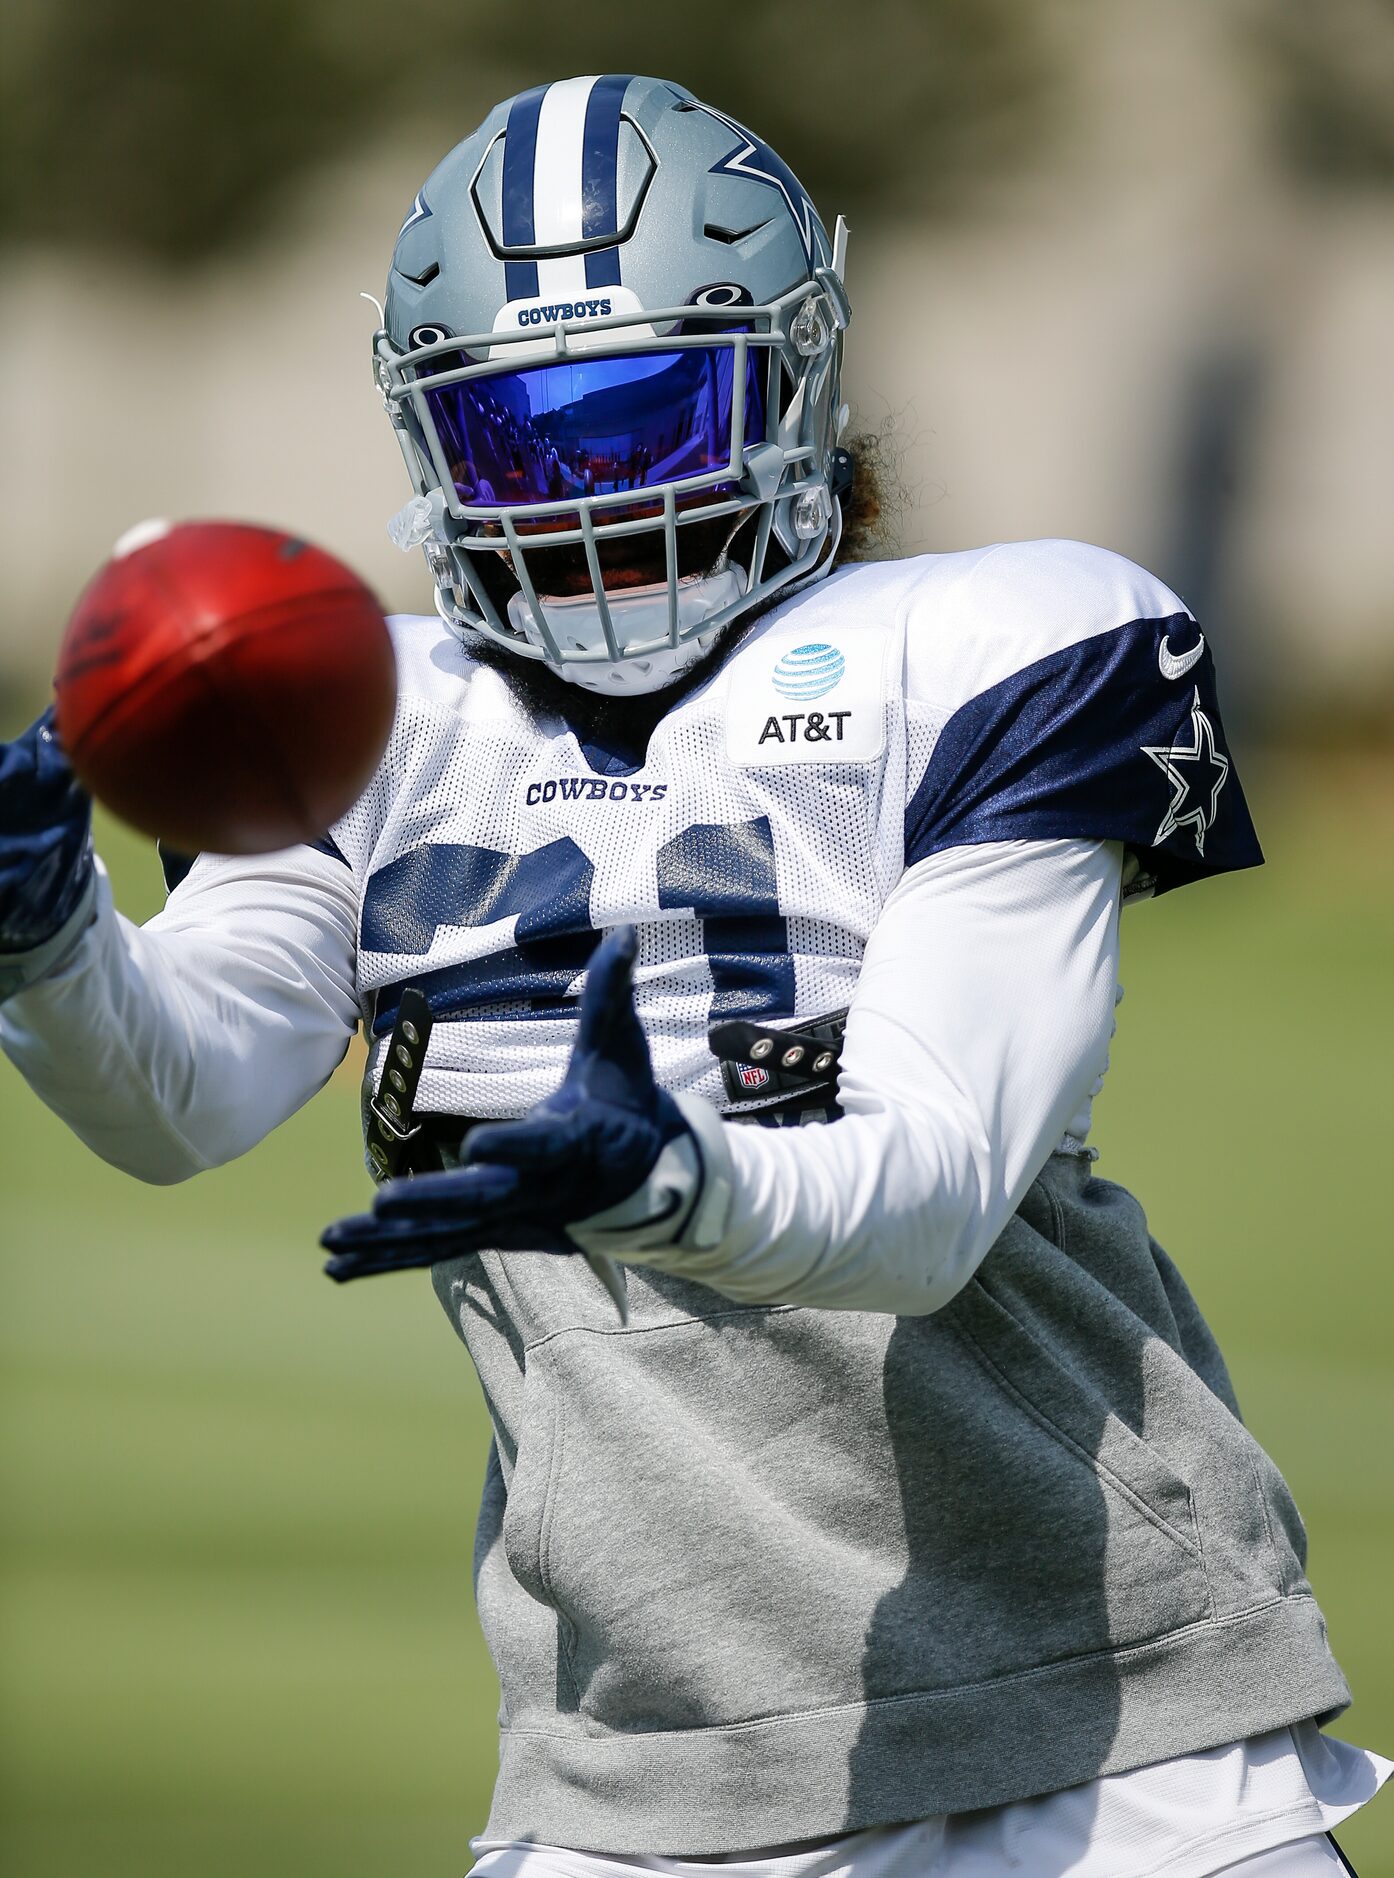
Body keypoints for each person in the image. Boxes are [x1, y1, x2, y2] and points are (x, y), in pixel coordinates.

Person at [0, 73, 1387, 1878]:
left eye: (640, 411)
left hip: (1114, 1753)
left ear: (789, 376)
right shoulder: (366, 715)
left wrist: (668, 1174)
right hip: (637, 1778)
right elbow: (179, 1090)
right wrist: (48, 943)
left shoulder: (983, 650)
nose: (581, 492)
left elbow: (929, 1187)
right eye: (516, 440)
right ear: (425, 447)